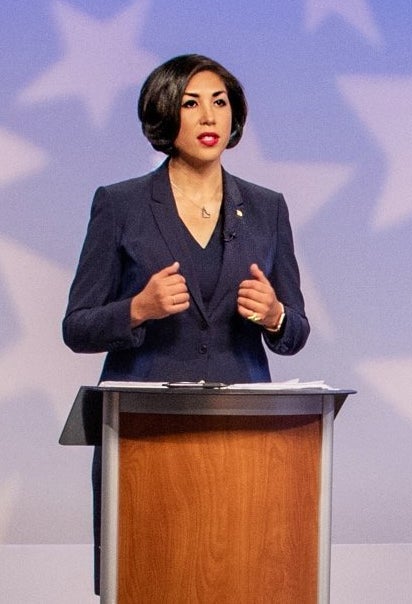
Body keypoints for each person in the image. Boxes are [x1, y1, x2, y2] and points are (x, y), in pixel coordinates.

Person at [62, 54, 310, 592]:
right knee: (146, 580)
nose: (208, 118)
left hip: (244, 436)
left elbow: (295, 331)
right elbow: (77, 325)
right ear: (163, 114)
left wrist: (276, 315)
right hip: (145, 435)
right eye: (191, 103)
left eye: (219, 103)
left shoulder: (267, 208)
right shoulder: (120, 204)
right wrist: (136, 309)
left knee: (244, 580)